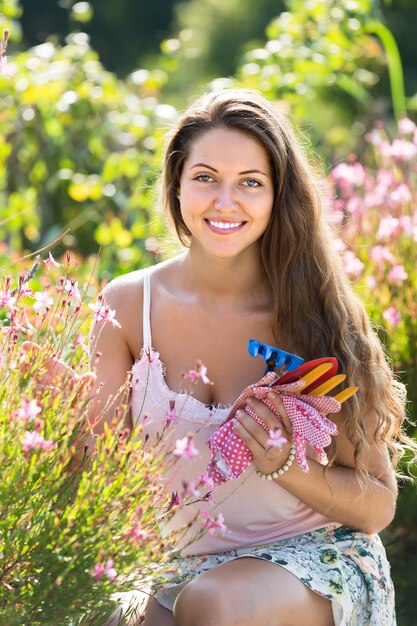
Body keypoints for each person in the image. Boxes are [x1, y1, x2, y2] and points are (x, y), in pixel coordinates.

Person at [90, 89, 411, 626]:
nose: (224, 201)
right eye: (205, 177)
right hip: (172, 566)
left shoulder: (321, 315)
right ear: (176, 185)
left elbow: (378, 504)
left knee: (215, 604)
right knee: (115, 614)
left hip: (311, 562)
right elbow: (99, 481)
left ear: (278, 196)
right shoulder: (126, 307)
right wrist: (58, 417)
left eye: (251, 183)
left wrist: (285, 465)